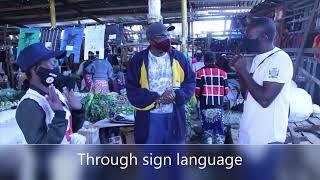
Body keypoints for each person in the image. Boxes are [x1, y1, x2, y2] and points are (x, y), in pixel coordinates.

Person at [126, 22, 196, 144]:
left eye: (167, 35)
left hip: (175, 116)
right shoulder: (137, 61)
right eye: (161, 36)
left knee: (175, 157)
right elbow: (132, 90)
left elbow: (190, 82)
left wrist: (177, 95)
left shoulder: (178, 57)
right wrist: (156, 97)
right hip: (149, 118)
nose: (167, 38)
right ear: (151, 41)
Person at [229, 17, 293, 144]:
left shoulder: (279, 60)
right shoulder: (258, 58)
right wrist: (239, 71)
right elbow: (247, 94)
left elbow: (264, 100)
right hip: (250, 134)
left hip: (267, 138)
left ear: (264, 37)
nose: (246, 41)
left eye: (250, 37)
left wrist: (243, 71)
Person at [15, 43, 85, 144]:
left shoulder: (55, 93)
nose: (56, 68)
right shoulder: (29, 104)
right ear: (36, 69)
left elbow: (69, 129)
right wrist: (59, 115)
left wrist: (78, 110)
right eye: (52, 64)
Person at [195, 51, 229, 144]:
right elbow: (226, 92)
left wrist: (199, 98)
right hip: (218, 106)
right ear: (215, 60)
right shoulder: (223, 73)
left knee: (207, 131)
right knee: (219, 132)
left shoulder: (199, 73)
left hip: (204, 106)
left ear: (204, 60)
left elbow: (197, 92)